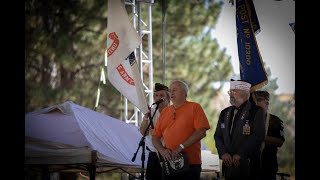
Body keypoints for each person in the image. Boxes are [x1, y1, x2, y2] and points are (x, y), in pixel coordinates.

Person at [152, 80, 210, 180]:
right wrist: (162, 151)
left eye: (175, 90)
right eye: (170, 90)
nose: (172, 92)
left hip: (190, 163)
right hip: (169, 163)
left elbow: (201, 132)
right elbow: (155, 136)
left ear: (184, 93)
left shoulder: (194, 107)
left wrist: (180, 147)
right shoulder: (165, 111)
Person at [214, 79, 265, 180]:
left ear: (245, 92)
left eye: (233, 91)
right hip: (228, 166)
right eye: (230, 91)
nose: (230, 94)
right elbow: (218, 136)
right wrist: (223, 153)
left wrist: (240, 154)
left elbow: (257, 136)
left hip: (247, 166)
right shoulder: (224, 113)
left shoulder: (256, 111)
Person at [140, 83, 171, 180]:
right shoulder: (151, 112)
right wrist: (145, 117)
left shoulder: (173, 112)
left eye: (161, 95)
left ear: (168, 98)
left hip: (169, 154)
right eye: (156, 95)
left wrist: (157, 131)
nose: (158, 98)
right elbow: (142, 132)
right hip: (153, 155)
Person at [255, 91, 285, 180]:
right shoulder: (249, 120)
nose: (255, 104)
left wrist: (260, 137)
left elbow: (280, 142)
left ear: (266, 103)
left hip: (268, 166)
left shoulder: (275, 120)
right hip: (250, 167)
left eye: (258, 100)